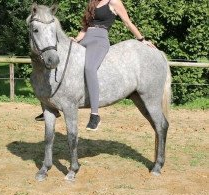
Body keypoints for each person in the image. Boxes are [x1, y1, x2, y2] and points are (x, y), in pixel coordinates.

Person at [36, 0, 155, 130]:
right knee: (59, 63)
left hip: (99, 40)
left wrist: (142, 40)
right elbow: (85, 28)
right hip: (85, 39)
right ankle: (51, 107)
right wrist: (76, 39)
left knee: (90, 68)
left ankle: (95, 115)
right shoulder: (92, 3)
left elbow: (127, 22)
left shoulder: (114, 2)